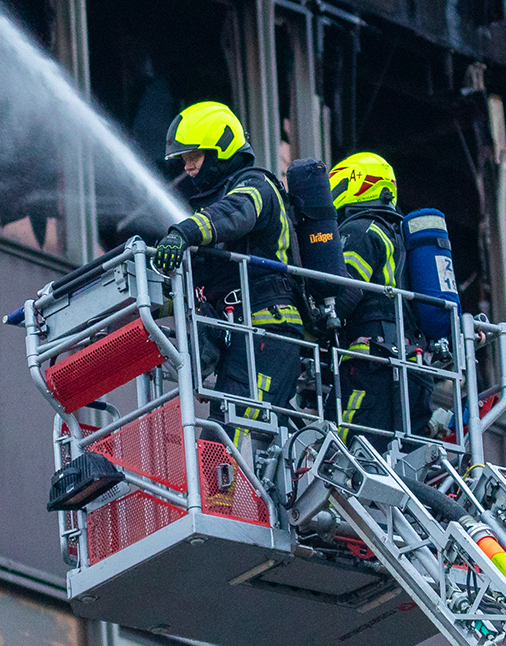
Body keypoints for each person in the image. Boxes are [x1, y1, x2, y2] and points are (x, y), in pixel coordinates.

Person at [150, 101, 304, 439]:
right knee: (228, 432)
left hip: (267, 328)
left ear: (220, 148)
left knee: (228, 436)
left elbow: (237, 213)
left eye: (194, 156)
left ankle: (226, 478)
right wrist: (147, 307)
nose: (188, 167)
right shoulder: (214, 213)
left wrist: (183, 233)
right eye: (184, 159)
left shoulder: (255, 187)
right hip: (244, 334)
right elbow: (201, 289)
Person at [328, 151, 408, 436]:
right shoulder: (398, 236)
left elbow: (346, 293)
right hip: (405, 363)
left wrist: (314, 323)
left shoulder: (360, 229)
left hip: (370, 359)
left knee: (339, 440)